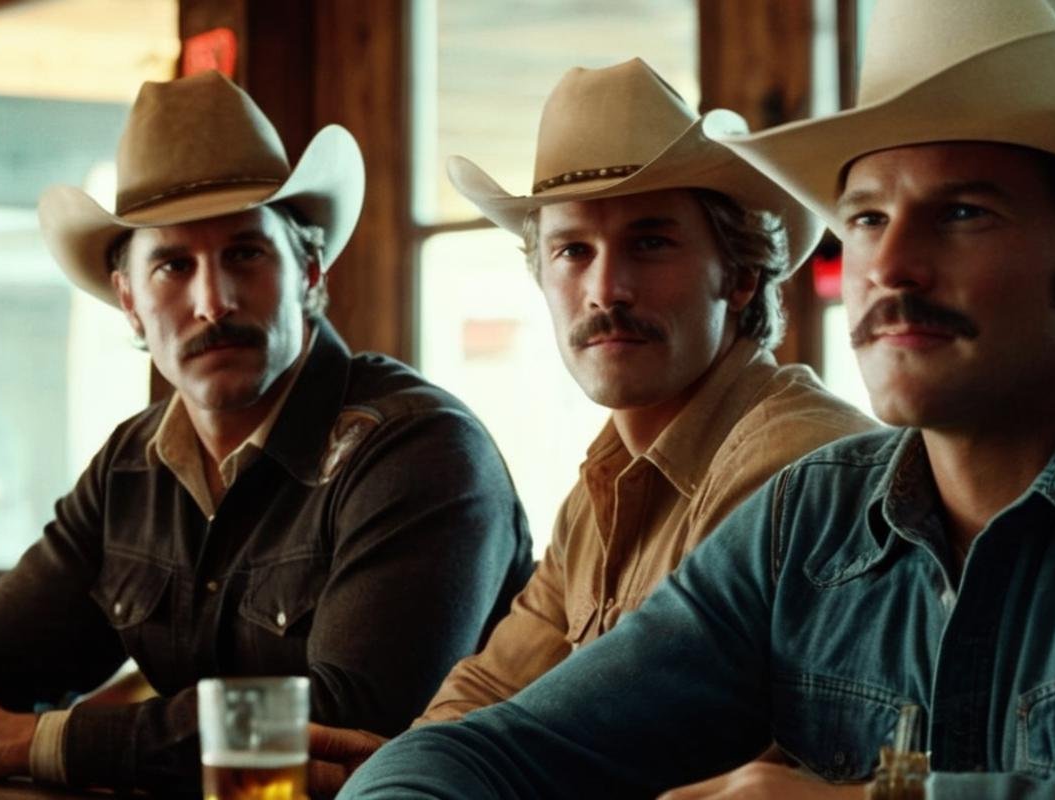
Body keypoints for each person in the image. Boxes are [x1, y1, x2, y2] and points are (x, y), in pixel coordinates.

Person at [340, 2, 1055, 798]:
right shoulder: (809, 519)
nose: (891, 267)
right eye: (868, 217)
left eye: (962, 213)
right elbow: (498, 750)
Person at [0, 71, 533, 796]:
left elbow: (348, 726)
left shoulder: (418, 450)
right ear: (128, 301)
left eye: (245, 254)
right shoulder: (129, 467)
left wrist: (23, 742)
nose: (213, 302)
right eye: (173, 266)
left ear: (309, 270)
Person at [306, 58, 875, 792]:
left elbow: (618, 757)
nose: (606, 289)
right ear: (540, 276)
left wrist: (421, 771)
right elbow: (480, 702)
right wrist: (412, 767)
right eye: (573, 250)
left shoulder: (796, 463)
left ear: (738, 276)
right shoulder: (602, 484)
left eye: (649, 242)